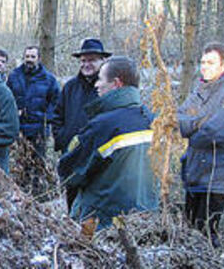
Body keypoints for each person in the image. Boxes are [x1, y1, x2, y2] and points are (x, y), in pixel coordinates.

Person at [57, 56, 158, 230]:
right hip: (145, 221)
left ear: (117, 84)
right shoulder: (151, 119)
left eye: (101, 79)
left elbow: (71, 171)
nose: (96, 85)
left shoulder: (103, 126)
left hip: (105, 222)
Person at [178, 42, 224, 248]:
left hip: (219, 176)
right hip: (195, 171)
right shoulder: (200, 89)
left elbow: (215, 133)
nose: (204, 67)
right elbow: (179, 119)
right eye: (202, 62)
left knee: (206, 234)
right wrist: (200, 121)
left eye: (211, 63)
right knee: (189, 230)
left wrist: (194, 127)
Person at [51, 38, 110, 210]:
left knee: (93, 205)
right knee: (72, 202)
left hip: (97, 158)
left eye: (92, 60)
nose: (86, 64)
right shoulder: (70, 87)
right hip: (72, 157)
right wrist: (62, 139)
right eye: (83, 60)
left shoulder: (107, 88)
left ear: (103, 61)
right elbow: (57, 116)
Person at [6, 46, 60, 160]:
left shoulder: (49, 79)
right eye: (27, 56)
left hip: (39, 129)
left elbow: (56, 101)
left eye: (32, 56)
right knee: (19, 162)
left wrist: (47, 118)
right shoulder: (14, 76)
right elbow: (7, 98)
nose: (29, 59)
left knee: (38, 163)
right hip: (18, 128)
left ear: (39, 58)